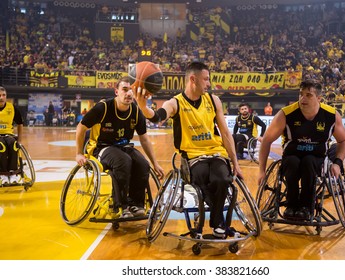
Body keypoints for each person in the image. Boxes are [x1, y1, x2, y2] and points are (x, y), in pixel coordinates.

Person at [135, 61, 243, 238]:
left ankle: (216, 223)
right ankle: (220, 223)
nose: (209, 83)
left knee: (222, 180)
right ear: (193, 79)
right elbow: (158, 117)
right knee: (202, 182)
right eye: (206, 79)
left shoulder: (213, 100)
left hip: (216, 154)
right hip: (192, 158)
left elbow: (225, 132)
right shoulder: (175, 103)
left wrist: (235, 163)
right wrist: (143, 107)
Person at [257, 80, 345, 220]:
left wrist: (337, 163)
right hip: (292, 155)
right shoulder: (286, 114)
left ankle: (306, 206)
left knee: (309, 161)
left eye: (308, 95)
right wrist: (261, 171)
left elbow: (343, 141)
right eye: (301, 94)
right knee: (293, 162)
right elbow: (266, 141)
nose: (302, 98)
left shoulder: (331, 115)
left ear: (319, 98)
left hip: (316, 158)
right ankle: (291, 205)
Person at [75, 76, 164, 218]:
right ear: (116, 92)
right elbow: (81, 128)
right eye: (125, 89)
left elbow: (145, 139)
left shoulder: (135, 111)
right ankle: (120, 206)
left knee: (142, 164)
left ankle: (136, 204)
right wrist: (79, 153)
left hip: (123, 147)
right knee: (123, 161)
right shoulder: (103, 107)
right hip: (101, 147)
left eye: (131, 91)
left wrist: (155, 163)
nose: (129, 93)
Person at [0, 86, 24, 185]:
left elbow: (20, 123)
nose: (1, 97)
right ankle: (2, 175)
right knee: (1, 146)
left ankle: (13, 173)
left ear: (6, 96)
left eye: (3, 95)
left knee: (14, 144)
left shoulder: (12, 108)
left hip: (8, 135)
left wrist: (20, 139)